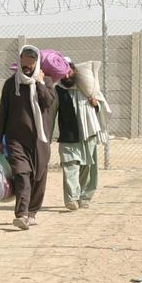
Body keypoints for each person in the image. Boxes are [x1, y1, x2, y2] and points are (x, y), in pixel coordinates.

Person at [0, 45, 54, 230]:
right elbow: (3, 113)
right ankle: (22, 214)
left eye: (30, 62)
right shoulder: (11, 84)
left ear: (36, 63)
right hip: (15, 140)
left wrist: (40, 83)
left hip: (39, 140)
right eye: (23, 61)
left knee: (39, 177)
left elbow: (48, 102)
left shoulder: (47, 82)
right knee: (22, 175)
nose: (26, 65)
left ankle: (32, 211)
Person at [51, 61, 101, 211]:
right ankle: (72, 198)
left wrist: (95, 104)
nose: (67, 76)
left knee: (87, 168)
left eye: (69, 72)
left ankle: (84, 197)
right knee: (70, 166)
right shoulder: (57, 90)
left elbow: (99, 110)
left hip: (88, 135)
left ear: (74, 72)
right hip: (68, 136)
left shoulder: (86, 87)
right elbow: (51, 114)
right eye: (63, 73)